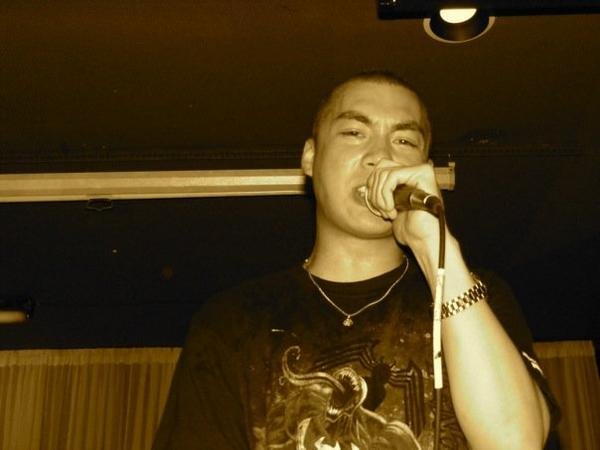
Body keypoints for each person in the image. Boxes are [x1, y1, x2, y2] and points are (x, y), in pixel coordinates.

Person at [152, 71, 559, 450]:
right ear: (310, 157)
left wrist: (436, 248)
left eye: (404, 141)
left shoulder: (475, 294)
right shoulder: (231, 323)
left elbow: (516, 442)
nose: (379, 156)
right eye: (353, 133)